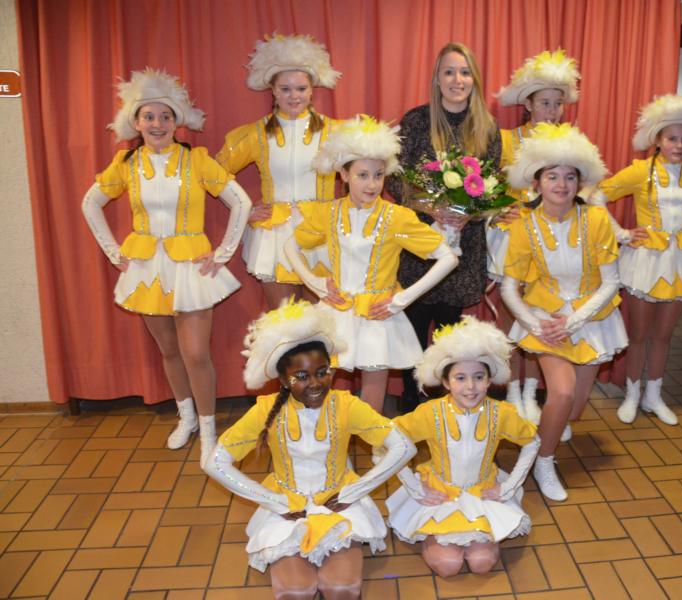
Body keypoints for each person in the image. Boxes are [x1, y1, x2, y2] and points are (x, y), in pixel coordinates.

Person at [82, 68, 252, 464]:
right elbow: (91, 202)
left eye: (165, 116)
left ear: (177, 122)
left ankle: (209, 430)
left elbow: (240, 202)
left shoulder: (196, 161)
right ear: (136, 122)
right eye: (149, 116)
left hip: (190, 265)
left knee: (196, 353)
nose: (157, 124)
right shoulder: (125, 163)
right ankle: (186, 417)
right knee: (170, 350)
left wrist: (223, 252)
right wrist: (113, 251)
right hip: (145, 266)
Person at [203, 299, 416, 599]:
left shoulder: (346, 405)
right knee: (296, 594)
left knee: (341, 590)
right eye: (301, 377)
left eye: (322, 371)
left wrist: (355, 491)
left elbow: (403, 447)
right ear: (283, 380)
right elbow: (214, 463)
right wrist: (274, 501)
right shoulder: (265, 410)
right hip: (287, 508)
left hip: (340, 503)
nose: (315, 383)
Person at [282, 115, 459, 413]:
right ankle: (332, 438)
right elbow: (291, 246)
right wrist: (316, 284)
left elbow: (448, 258)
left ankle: (370, 439)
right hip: (337, 311)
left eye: (378, 175)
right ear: (344, 174)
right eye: (362, 175)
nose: (372, 184)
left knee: (371, 403)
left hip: (378, 315)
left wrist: (401, 300)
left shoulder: (396, 217)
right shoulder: (328, 213)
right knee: (322, 389)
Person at [501, 123, 627, 501]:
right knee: (562, 391)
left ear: (579, 182)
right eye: (552, 176)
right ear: (537, 183)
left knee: (574, 406)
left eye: (570, 176)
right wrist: (537, 325)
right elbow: (509, 288)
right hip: (544, 319)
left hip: (592, 318)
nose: (561, 184)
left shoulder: (597, 220)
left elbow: (611, 282)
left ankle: (551, 428)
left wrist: (572, 322)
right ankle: (543, 459)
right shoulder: (523, 226)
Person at [592, 94, 682, 426]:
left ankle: (653, 396)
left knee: (664, 336)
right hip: (645, 260)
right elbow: (596, 196)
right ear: (658, 139)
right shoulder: (641, 171)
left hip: (680, 261)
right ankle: (632, 394)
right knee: (639, 334)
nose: (679, 145)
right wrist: (622, 234)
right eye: (671, 138)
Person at [387, 42, 502, 413]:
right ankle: (412, 402)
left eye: (465, 72)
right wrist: (433, 208)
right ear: (437, 78)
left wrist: (466, 212)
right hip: (419, 243)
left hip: (463, 246)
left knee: (449, 332)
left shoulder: (488, 128)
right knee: (413, 327)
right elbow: (394, 178)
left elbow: (494, 185)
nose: (457, 80)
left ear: (474, 79)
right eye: (449, 72)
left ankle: (445, 406)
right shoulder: (416, 121)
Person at [386, 316, 539, 577]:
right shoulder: (431, 413)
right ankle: (432, 533)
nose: (470, 387)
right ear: (446, 382)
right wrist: (414, 485)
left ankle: (473, 538)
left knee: (482, 562)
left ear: (489, 380)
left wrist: (509, 486)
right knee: (448, 566)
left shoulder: (500, 413)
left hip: (482, 492)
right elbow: (389, 441)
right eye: (460, 378)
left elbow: (533, 442)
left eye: (479, 377)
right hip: (440, 492)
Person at [489, 49, 582, 425]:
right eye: (544, 102)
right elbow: (484, 189)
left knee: (542, 312)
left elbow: (583, 189)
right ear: (527, 103)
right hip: (513, 240)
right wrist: (496, 212)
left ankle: (531, 391)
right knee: (512, 316)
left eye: (557, 104)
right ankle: (512, 390)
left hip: (552, 243)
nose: (552, 111)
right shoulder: (505, 140)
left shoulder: (571, 142)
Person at [216, 34, 341, 308]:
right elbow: (213, 174)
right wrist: (244, 210)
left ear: (312, 90)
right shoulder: (255, 134)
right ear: (273, 90)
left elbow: (363, 173)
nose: (293, 96)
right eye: (285, 89)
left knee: (325, 320)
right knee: (284, 320)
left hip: (321, 231)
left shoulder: (336, 132)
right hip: (274, 232)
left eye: (301, 88)